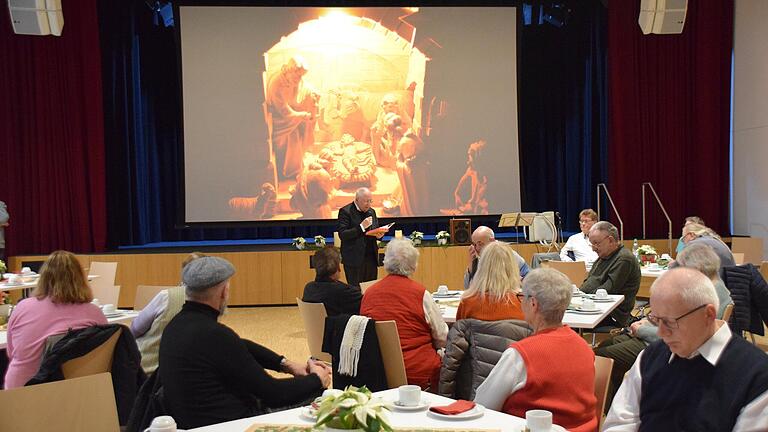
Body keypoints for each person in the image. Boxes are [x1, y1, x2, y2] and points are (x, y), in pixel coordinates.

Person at [159, 256, 331, 429]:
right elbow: (273, 393)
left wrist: (286, 364)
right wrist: (317, 379)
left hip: (191, 422)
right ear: (224, 292)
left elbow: (240, 345)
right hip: (230, 424)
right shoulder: (215, 335)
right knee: (319, 397)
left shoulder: (176, 327)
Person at [603, 268, 768, 431]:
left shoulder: (757, 376)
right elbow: (621, 423)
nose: (660, 332)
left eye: (670, 322)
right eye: (656, 320)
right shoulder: (650, 357)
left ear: (708, 314)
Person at [594, 243, 734, 412]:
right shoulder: (714, 286)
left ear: (697, 268)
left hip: (665, 347)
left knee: (602, 355)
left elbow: (679, 333)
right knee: (607, 345)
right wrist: (649, 320)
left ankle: (610, 409)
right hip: (665, 339)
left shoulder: (704, 295)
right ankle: (614, 406)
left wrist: (642, 329)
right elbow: (675, 319)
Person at [474, 268, 598, 432]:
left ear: (533, 303)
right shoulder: (584, 347)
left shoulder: (522, 354)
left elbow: (483, 405)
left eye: (522, 297)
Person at [4, 250, 107, 389]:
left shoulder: (22, 308)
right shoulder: (94, 313)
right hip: (74, 392)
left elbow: (11, 352)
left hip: (21, 392)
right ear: (80, 278)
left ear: (44, 278)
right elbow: (103, 356)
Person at [360, 238, 448, 390]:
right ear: (413, 266)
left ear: (385, 262)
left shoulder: (368, 294)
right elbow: (442, 337)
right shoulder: (421, 294)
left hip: (378, 374)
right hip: (418, 375)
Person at [130, 252, 206, 374]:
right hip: (188, 372)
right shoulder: (213, 300)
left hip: (149, 370)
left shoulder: (166, 296)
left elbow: (135, 329)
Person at [580, 221, 641, 328]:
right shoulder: (604, 256)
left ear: (611, 240)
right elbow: (589, 283)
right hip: (596, 308)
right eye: (592, 244)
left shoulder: (624, 259)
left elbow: (606, 292)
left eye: (596, 243)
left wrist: (583, 296)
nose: (593, 248)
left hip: (613, 315)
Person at [266, 56, 318, 179]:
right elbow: (284, 112)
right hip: (279, 120)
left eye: (301, 76)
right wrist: (303, 115)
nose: (299, 79)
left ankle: (296, 165)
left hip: (289, 118)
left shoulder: (292, 79)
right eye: (297, 76)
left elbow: (303, 87)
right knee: (293, 135)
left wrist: (312, 93)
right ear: (288, 71)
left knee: (301, 129)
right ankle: (290, 171)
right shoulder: (276, 84)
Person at [456, 241, 524, 321]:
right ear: (512, 268)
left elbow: (459, 329)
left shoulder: (467, 302)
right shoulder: (524, 304)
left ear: (481, 267)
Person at [338, 187, 390, 286]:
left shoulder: (372, 211)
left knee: (370, 290)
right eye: (366, 201)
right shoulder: (345, 211)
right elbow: (343, 235)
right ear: (357, 200)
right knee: (356, 290)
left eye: (370, 201)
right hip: (354, 260)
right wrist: (361, 227)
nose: (368, 204)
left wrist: (379, 235)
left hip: (371, 258)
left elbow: (374, 229)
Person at [302, 246, 362, 316]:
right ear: (338, 268)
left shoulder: (308, 288)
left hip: (316, 326)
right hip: (340, 326)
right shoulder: (346, 292)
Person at [464, 226, 529, 289]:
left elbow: (528, 281)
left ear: (492, 241)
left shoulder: (509, 255)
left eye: (480, 244)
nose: (476, 248)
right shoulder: (477, 258)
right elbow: (467, 288)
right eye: (474, 244)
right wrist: (471, 266)